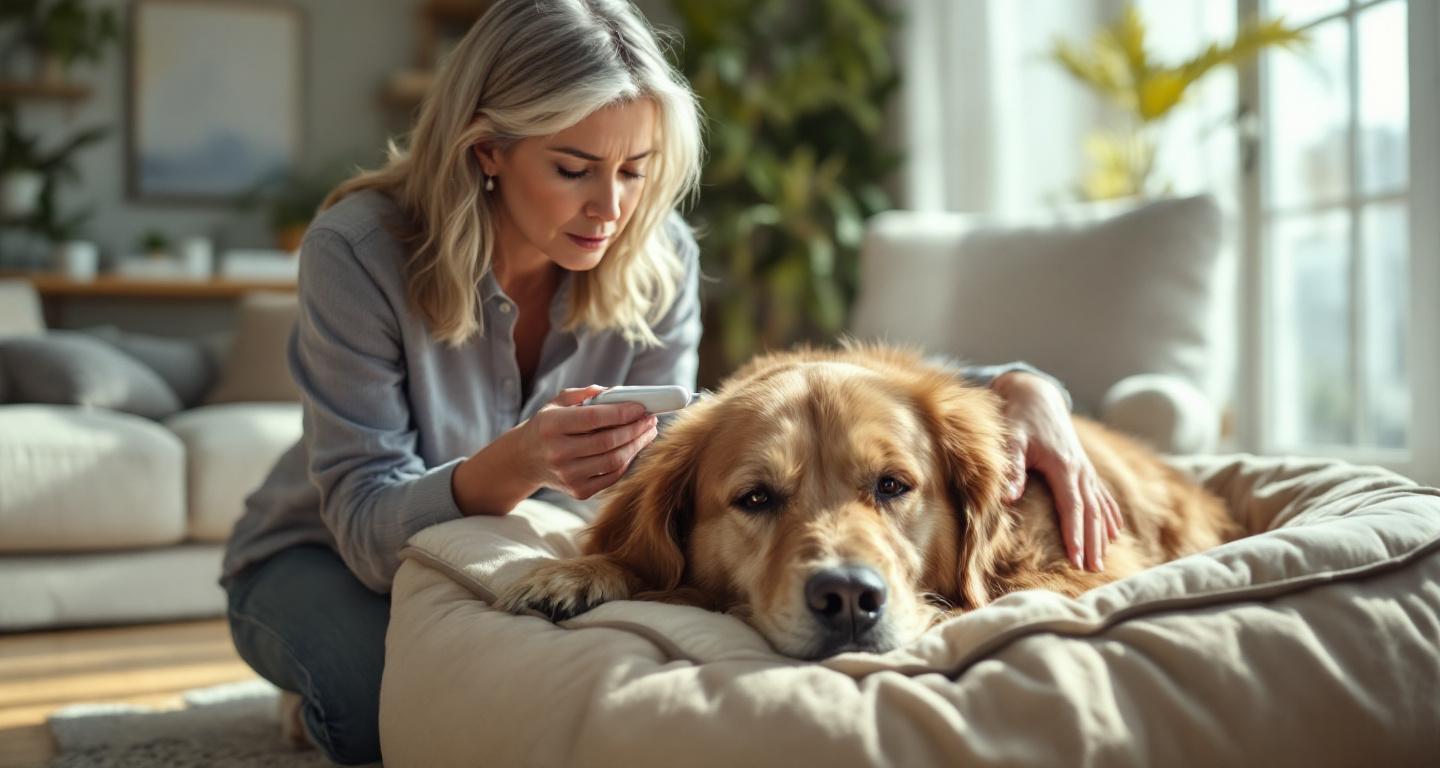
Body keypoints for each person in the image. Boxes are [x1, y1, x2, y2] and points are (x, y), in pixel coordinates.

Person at [219, 0, 1119, 764]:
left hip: (502, 565)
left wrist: (1012, 382)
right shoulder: (360, 251)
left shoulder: (658, 256)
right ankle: (305, 681)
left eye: (636, 171)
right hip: (322, 559)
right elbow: (369, 528)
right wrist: (521, 459)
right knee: (387, 721)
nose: (610, 210)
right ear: (487, 151)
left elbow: (746, 415)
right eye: (572, 169)